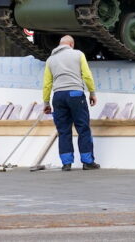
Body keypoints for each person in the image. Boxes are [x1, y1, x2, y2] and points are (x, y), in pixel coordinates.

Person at [42, 35, 100, 171]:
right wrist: (92, 93)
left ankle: (66, 164)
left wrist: (46, 103)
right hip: (75, 95)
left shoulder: (50, 60)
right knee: (83, 128)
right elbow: (87, 75)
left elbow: (47, 84)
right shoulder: (78, 54)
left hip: (58, 97)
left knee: (63, 131)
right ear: (71, 44)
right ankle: (87, 162)